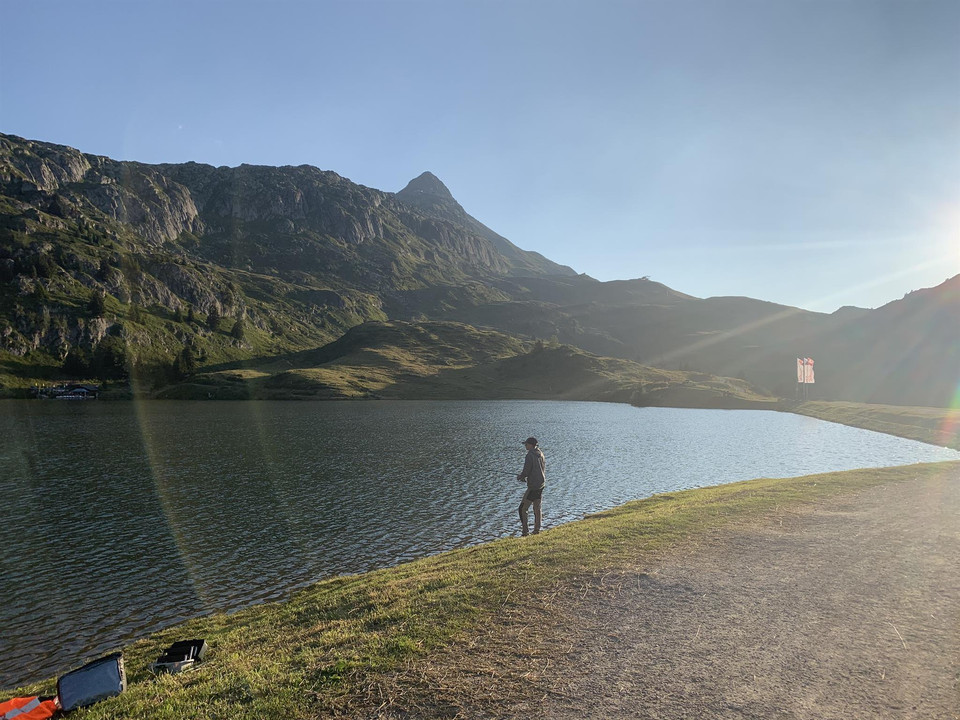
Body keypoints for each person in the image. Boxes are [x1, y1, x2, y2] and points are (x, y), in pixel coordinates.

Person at [517, 436, 545, 536]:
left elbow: (526, 470)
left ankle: (525, 532)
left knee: (522, 509)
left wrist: (521, 476)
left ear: (531, 445)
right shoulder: (540, 453)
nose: (525, 445)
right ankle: (537, 530)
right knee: (537, 508)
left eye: (526, 444)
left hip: (533, 487)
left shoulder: (530, 455)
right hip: (541, 484)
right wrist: (525, 476)